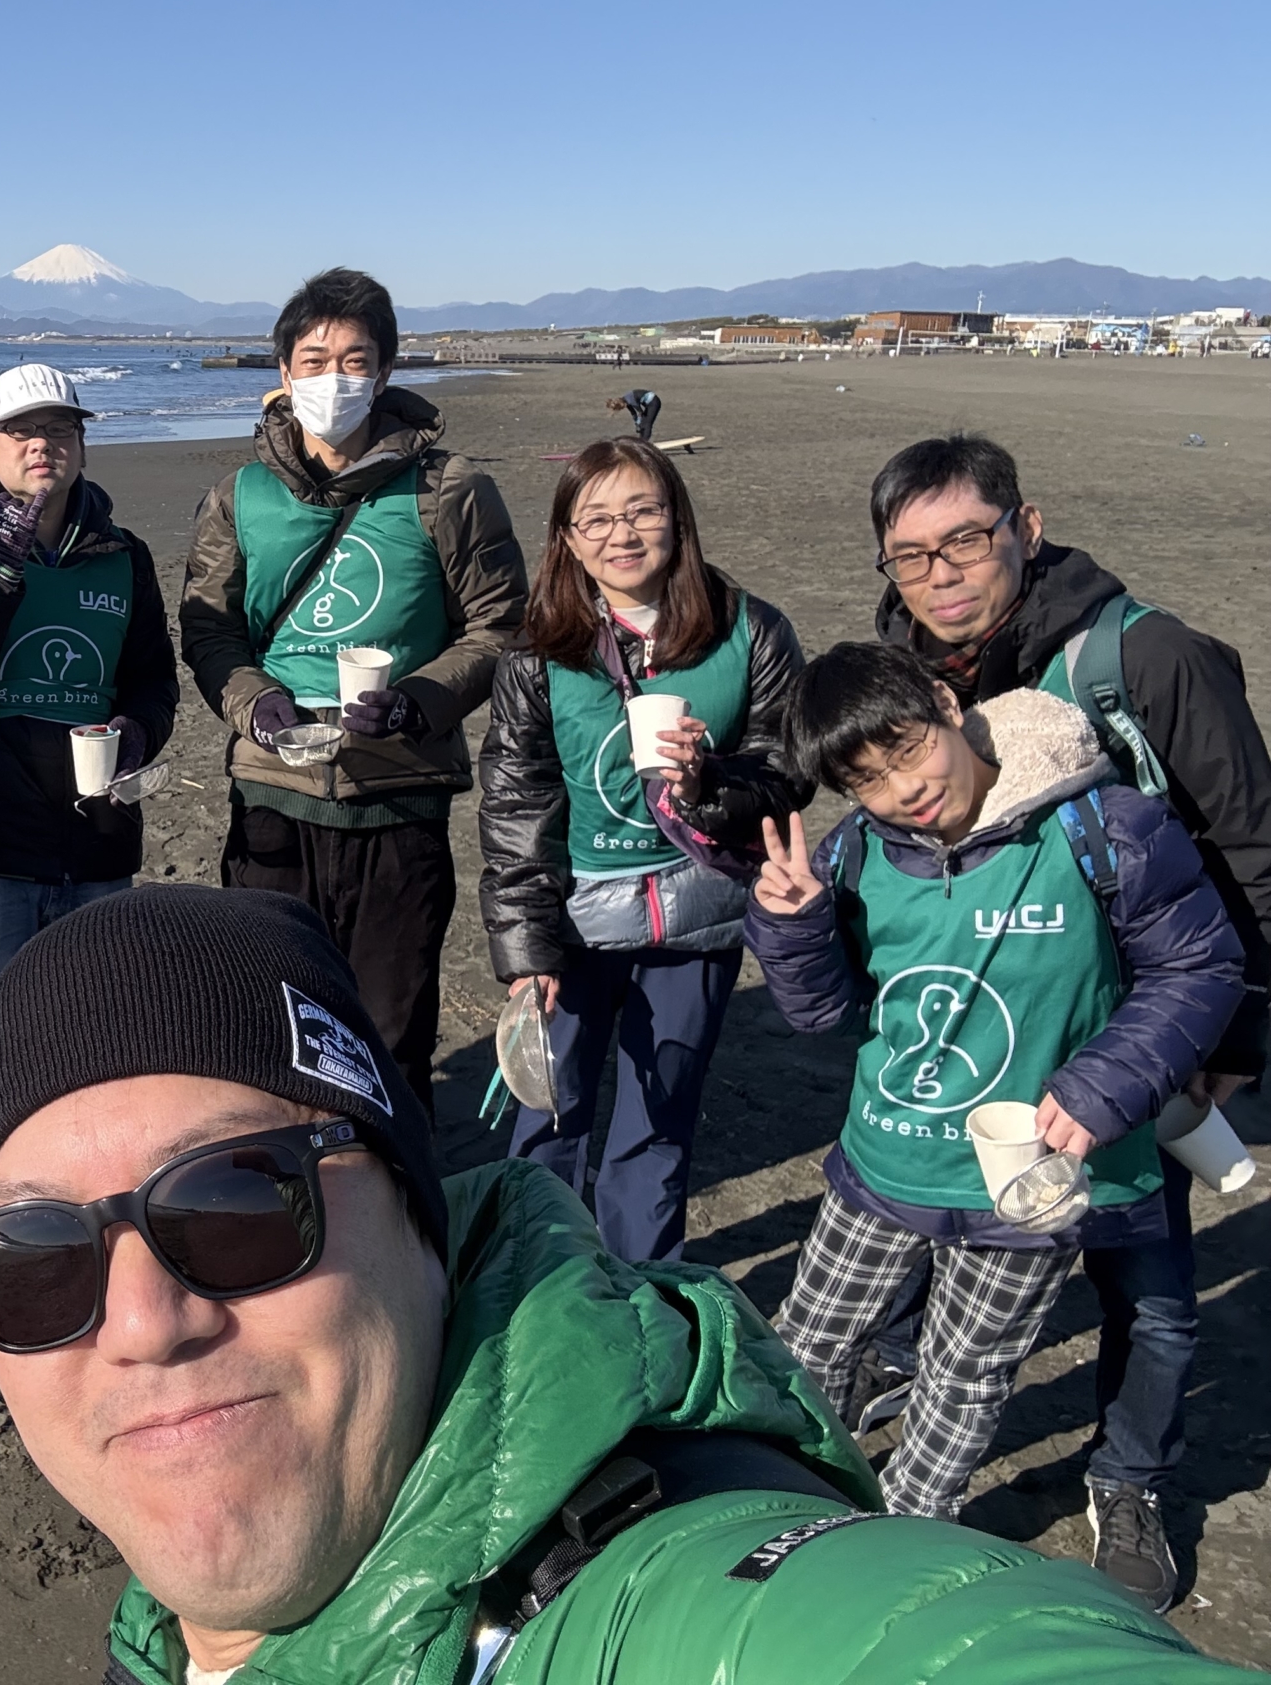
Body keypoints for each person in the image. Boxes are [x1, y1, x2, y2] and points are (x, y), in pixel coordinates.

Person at [0, 885, 1245, 1681]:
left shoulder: (672, 1613)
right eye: (34, 1264)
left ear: (412, 1207)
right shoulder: (176, 1614)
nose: (146, 1323)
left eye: (232, 1205)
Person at [863, 433, 1271, 1602]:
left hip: (1138, 1026)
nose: (941, 576)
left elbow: (1250, 852)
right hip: (987, 1008)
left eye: (965, 542)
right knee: (946, 1229)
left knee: (1146, 1277)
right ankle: (897, 1373)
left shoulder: (1146, 658)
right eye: (910, 557)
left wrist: (1229, 1049)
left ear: (1024, 529)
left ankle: (1131, 1479)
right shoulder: (907, 666)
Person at [746, 643, 1243, 1524]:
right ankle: (776, 1502)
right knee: (806, 1345)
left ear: (944, 701)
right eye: (866, 778)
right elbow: (829, 1015)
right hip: (885, 1165)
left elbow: (1198, 966)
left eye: (906, 748)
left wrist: (1105, 1086)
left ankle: (904, 1536)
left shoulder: (1102, 827)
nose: (903, 788)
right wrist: (792, 926)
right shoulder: (858, 851)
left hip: (1026, 1183)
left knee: (963, 1379)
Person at [180, 267, 527, 1107]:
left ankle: (392, 1215)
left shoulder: (449, 490)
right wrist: (252, 700)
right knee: (273, 1027)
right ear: (283, 375)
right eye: (313, 358)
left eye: (354, 359)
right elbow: (209, 626)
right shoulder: (240, 496)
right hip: (272, 799)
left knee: (389, 1032)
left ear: (383, 372)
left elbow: (502, 625)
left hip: (397, 800)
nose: (333, 378)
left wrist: (419, 700)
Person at [0, 363, 179, 1299]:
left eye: (59, 428)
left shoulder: (119, 554)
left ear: (84, 443)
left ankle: (74, 1200)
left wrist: (136, 732)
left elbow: (152, 680)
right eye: (21, 431)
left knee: (90, 1036)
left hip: (94, 837)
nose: (41, 443)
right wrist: (1, 560)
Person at [477, 437, 807, 1262]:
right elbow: (517, 802)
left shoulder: (751, 629)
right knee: (548, 1111)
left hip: (697, 917)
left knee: (657, 1126)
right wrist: (526, 948)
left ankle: (640, 1292)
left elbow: (789, 770)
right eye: (596, 519)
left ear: (677, 519)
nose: (622, 535)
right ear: (567, 539)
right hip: (576, 923)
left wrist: (706, 787)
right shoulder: (538, 650)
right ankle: (535, 1283)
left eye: (642, 511)